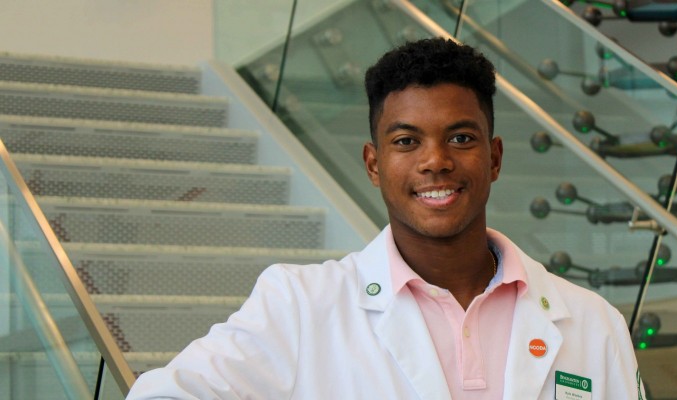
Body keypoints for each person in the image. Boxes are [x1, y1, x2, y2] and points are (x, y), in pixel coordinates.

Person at [127, 38, 646, 399]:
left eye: (461, 138)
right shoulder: (300, 306)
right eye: (406, 141)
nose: (435, 160)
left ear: (494, 158)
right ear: (374, 165)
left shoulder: (592, 323)